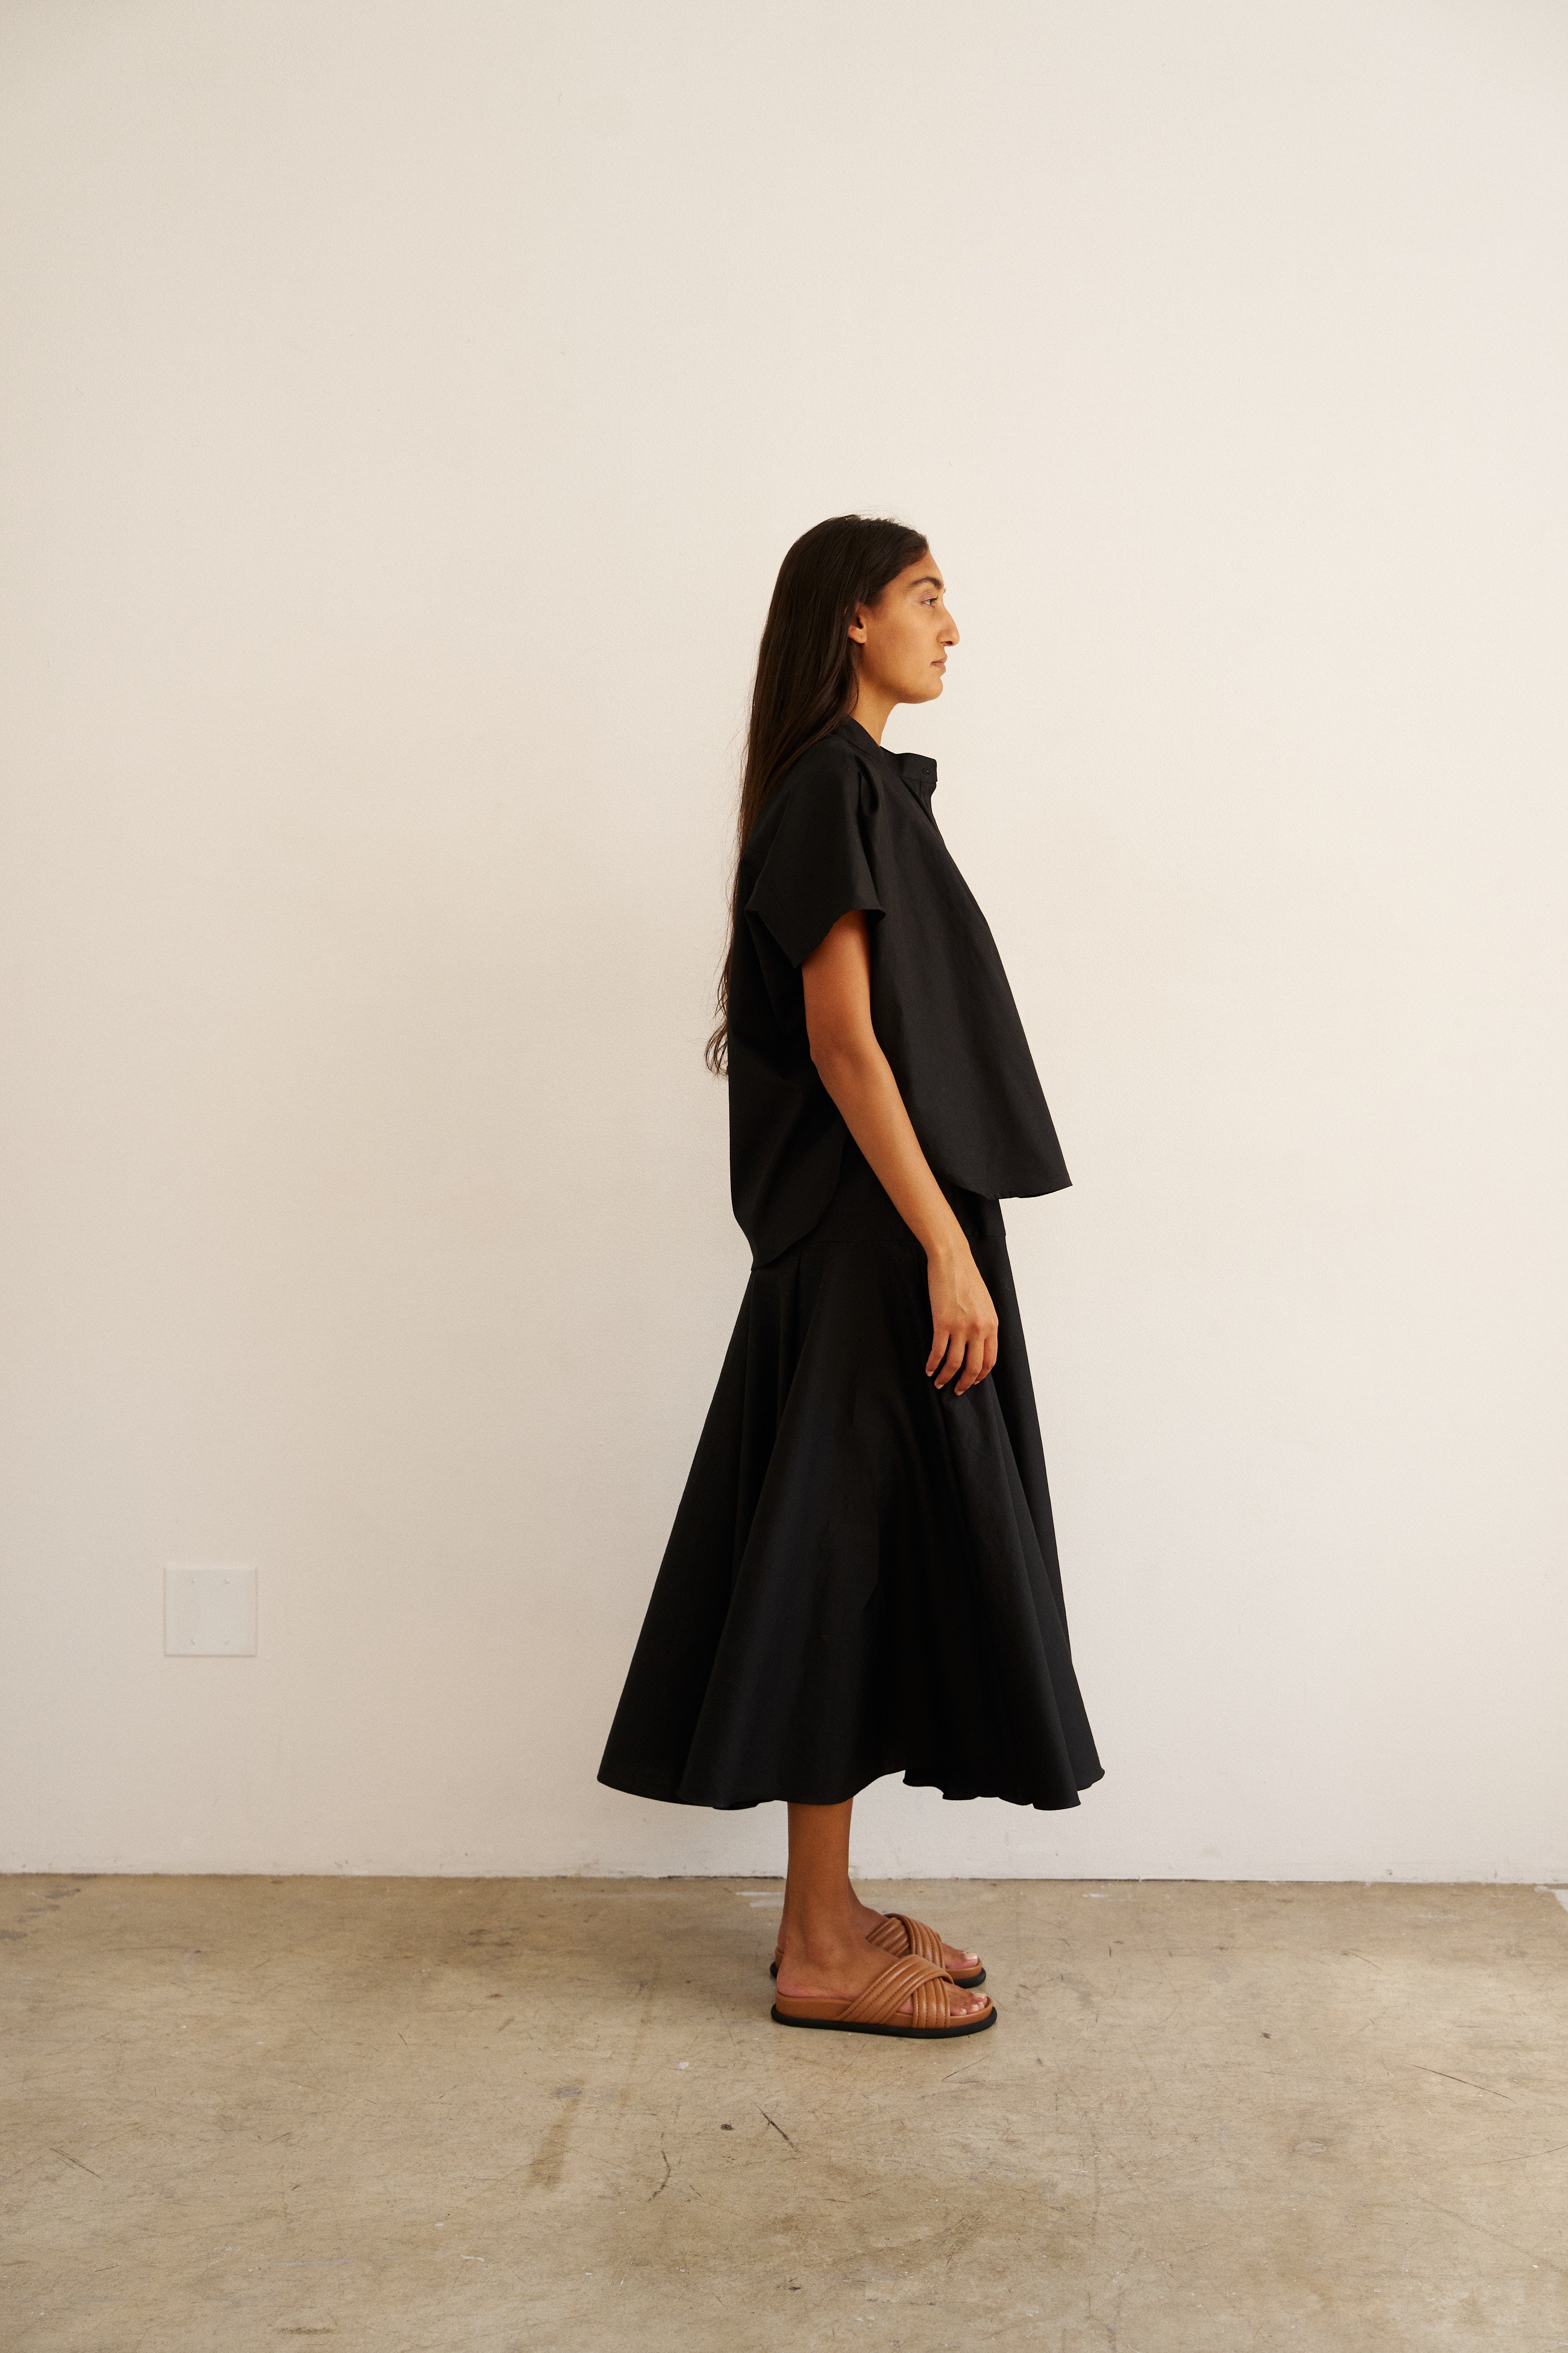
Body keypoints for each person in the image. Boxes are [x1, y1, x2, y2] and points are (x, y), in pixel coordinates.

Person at [599, 515, 1102, 2040]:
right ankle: (816, 1949)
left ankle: (826, 1908)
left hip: (890, 1230)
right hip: (873, 1243)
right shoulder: (832, 786)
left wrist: (947, 1234)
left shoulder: (862, 787)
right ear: (852, 621)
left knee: (866, 1558)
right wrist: (943, 1245)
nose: (952, 626)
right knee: (833, 1568)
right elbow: (841, 1041)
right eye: (927, 596)